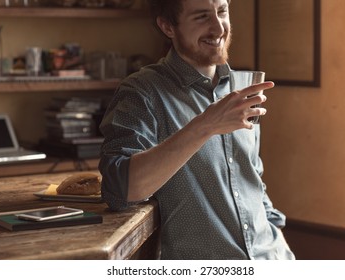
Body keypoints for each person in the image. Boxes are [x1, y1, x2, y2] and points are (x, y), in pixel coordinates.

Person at [99, 0, 295, 260]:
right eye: (202, 17)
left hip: (272, 257)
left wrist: (279, 240)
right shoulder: (142, 92)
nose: (218, 27)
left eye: (222, 11)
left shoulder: (240, 87)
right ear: (167, 26)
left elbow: (253, 177)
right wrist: (206, 125)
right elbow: (121, 190)